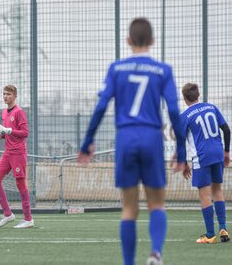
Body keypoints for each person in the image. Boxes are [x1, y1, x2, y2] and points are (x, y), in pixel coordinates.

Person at [77, 18, 186, 265]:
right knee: (157, 203)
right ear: (152, 41)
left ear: (128, 41)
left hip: (125, 138)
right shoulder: (163, 70)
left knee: (129, 208)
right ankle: (156, 253)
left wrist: (87, 143)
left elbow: (101, 106)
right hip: (151, 137)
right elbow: (174, 111)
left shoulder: (116, 69)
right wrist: (180, 148)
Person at [180, 83, 230, 243]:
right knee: (217, 191)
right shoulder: (212, 107)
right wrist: (227, 152)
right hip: (217, 153)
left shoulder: (185, 116)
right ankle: (223, 228)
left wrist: (183, 162)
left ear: (184, 97)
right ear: (198, 94)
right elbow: (227, 130)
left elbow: (180, 141)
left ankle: (210, 235)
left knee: (205, 194)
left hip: (202, 157)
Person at [0, 85, 34, 229]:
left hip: (18, 153)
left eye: (8, 94)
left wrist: (9, 130)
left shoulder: (19, 112)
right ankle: (8, 214)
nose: (5, 96)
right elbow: (7, 134)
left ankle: (28, 219)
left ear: (15, 96)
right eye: (4, 94)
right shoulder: (4, 113)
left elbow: (25, 133)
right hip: (7, 152)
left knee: (20, 184)